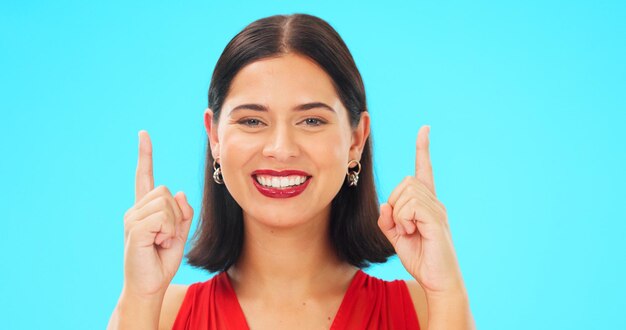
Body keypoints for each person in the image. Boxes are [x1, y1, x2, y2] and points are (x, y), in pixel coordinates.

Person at [108, 13, 475, 330]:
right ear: (215, 136)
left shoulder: (425, 311)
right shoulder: (162, 314)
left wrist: (447, 289)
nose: (281, 149)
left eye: (311, 120)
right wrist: (140, 297)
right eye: (252, 120)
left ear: (355, 139)